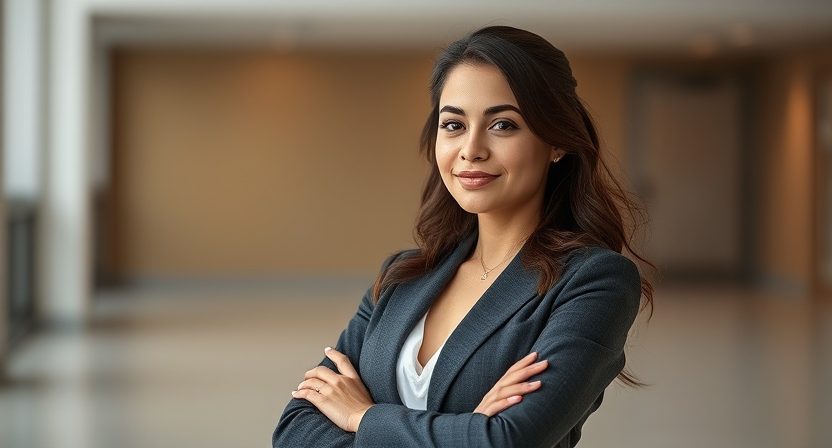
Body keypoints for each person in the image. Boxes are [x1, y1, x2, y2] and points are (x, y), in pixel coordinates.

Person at [272, 25, 655, 447]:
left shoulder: (595, 280)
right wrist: (465, 428)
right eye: (453, 124)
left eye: (504, 125)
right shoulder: (402, 275)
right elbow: (295, 433)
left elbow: (506, 441)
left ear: (556, 142)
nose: (471, 149)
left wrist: (362, 416)